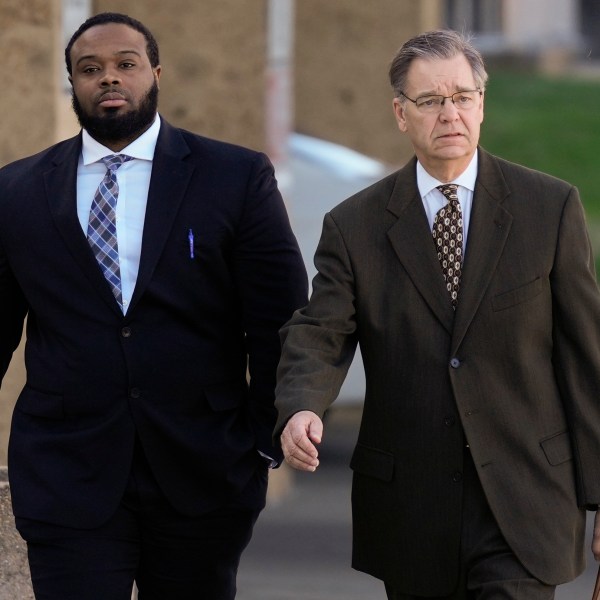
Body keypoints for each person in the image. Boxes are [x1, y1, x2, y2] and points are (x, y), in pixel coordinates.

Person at [275, 29, 600, 600]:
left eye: (463, 97)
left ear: (482, 104)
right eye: (430, 101)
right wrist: (302, 406)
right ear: (401, 114)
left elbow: (586, 360)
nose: (449, 113)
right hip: (412, 507)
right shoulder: (355, 226)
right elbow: (320, 331)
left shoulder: (549, 209)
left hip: (525, 497)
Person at [0, 11, 307, 600]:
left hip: (202, 469)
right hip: (68, 471)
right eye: (89, 69)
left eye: (125, 64)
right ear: (72, 84)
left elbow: (279, 317)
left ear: (156, 73)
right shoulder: (18, 191)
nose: (108, 79)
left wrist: (265, 435)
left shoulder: (234, 177)